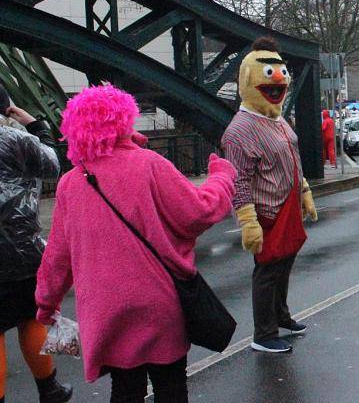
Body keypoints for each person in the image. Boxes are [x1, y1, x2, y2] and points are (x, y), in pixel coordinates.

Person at [34, 85, 236, 402]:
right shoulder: (149, 165)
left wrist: (47, 305)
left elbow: (57, 257)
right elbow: (199, 212)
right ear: (124, 120)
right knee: (171, 386)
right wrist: (222, 175)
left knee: (125, 389)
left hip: (106, 308)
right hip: (158, 302)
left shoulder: (70, 184)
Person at [223, 37, 318, 355]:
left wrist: (304, 190)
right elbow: (238, 180)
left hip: (287, 205)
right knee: (268, 269)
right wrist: (247, 221)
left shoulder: (276, 118)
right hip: (267, 210)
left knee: (284, 264)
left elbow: (291, 158)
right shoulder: (239, 130)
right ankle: (263, 334)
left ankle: (281, 316)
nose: (278, 79)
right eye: (268, 72)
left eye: (281, 72)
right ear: (248, 78)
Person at [0, 91, 72, 403]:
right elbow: (53, 165)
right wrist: (37, 126)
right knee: (29, 318)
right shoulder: (17, 140)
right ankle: (49, 389)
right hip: (21, 251)